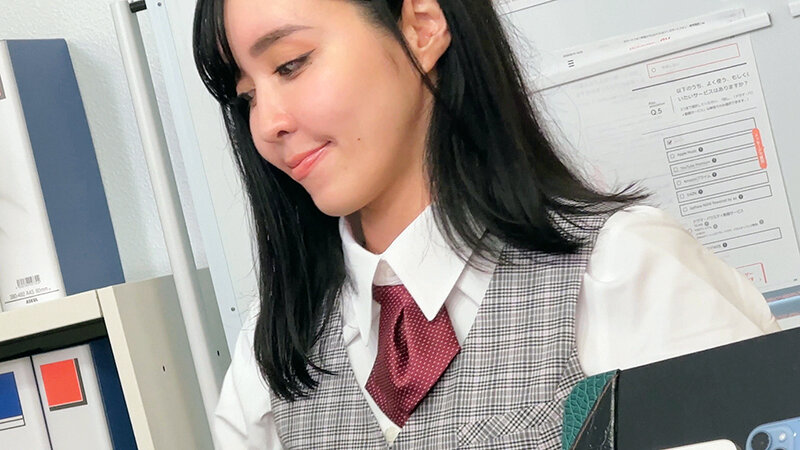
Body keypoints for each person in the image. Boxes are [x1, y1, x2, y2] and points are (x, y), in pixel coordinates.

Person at [192, 0, 780, 447]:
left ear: (421, 26)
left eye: (290, 64)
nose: (266, 123)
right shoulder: (273, 349)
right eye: (246, 96)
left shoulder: (625, 270)